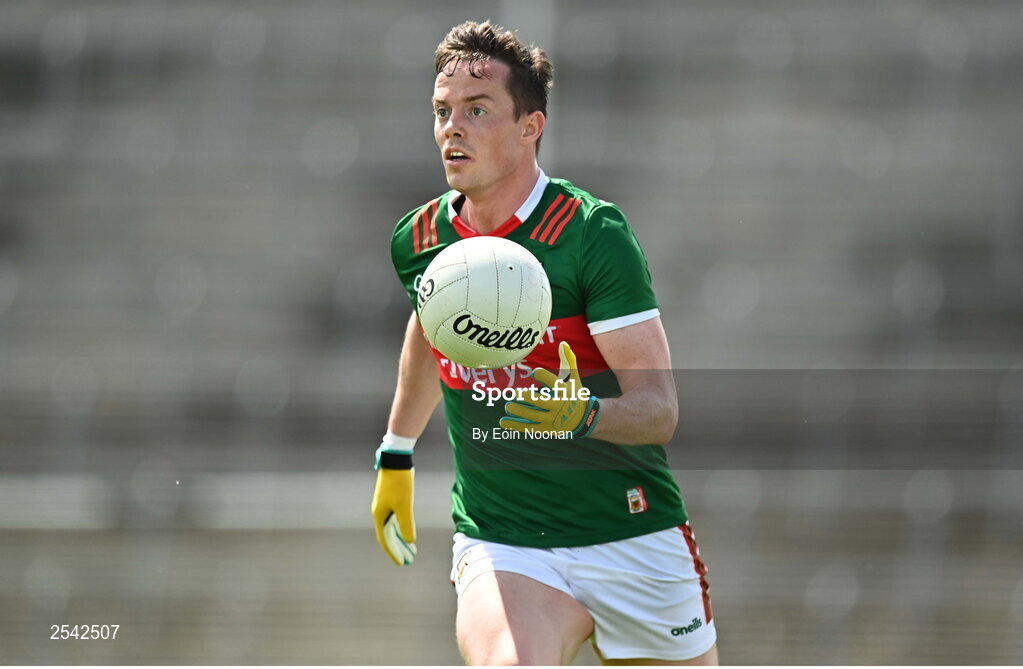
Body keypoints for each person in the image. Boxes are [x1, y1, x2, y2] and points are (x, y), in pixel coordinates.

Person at [371, 20, 718, 666]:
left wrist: (581, 415)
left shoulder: (591, 234)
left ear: (530, 126)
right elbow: (431, 326)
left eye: (477, 110)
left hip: (631, 530)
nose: (452, 128)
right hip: (505, 539)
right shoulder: (418, 239)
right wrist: (396, 449)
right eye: (442, 111)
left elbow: (658, 410)